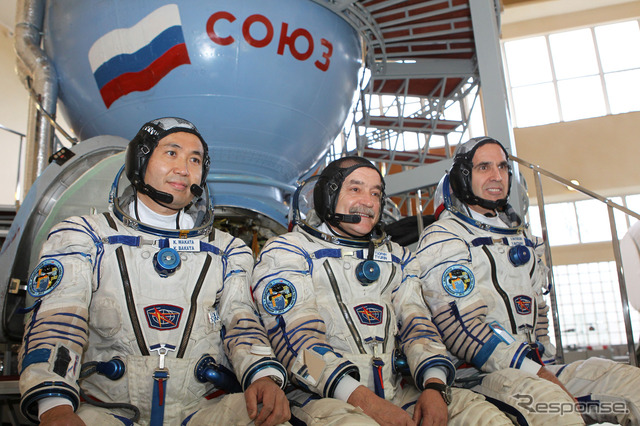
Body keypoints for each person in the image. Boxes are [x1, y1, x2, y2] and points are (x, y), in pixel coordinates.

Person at [18, 117, 290, 426]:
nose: (184, 169)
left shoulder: (227, 250)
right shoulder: (84, 236)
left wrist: (263, 376)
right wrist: (55, 406)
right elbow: (58, 323)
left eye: (195, 160)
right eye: (171, 153)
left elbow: (242, 322)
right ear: (140, 161)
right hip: (108, 410)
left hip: (201, 410)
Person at [252, 156, 512, 425]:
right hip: (321, 397)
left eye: (375, 193)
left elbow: (419, 328)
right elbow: (298, 348)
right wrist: (366, 402)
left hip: (396, 392)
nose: (368, 202)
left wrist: (435, 386)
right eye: (356, 189)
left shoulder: (398, 258)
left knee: (484, 417)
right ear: (327, 195)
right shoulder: (289, 252)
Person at [415, 136, 640, 425]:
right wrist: (539, 373)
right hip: (478, 375)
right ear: (462, 177)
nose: (497, 176)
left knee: (629, 384)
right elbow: (462, 328)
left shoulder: (522, 238)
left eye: (503, 167)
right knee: (554, 409)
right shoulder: (444, 237)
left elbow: (538, 313)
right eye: (484, 167)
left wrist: (546, 364)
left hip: (535, 369)